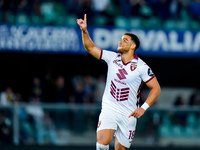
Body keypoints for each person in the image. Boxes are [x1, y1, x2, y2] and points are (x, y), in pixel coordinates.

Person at [77, 14, 161, 150]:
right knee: (103, 141)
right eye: (121, 39)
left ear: (133, 46)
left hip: (128, 113)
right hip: (109, 108)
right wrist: (84, 31)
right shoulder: (112, 58)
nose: (120, 41)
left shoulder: (142, 67)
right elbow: (91, 48)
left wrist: (143, 108)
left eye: (125, 40)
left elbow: (156, 88)